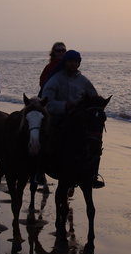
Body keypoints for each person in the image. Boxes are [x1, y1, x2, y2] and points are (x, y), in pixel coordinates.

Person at [41, 49, 105, 189]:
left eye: (76, 61)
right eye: (71, 61)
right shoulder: (55, 80)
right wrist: (65, 106)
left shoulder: (84, 81)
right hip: (58, 117)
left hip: (78, 121)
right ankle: (38, 169)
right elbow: (47, 102)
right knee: (44, 136)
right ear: (65, 62)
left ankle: (93, 174)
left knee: (95, 142)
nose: (73, 63)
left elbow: (93, 99)